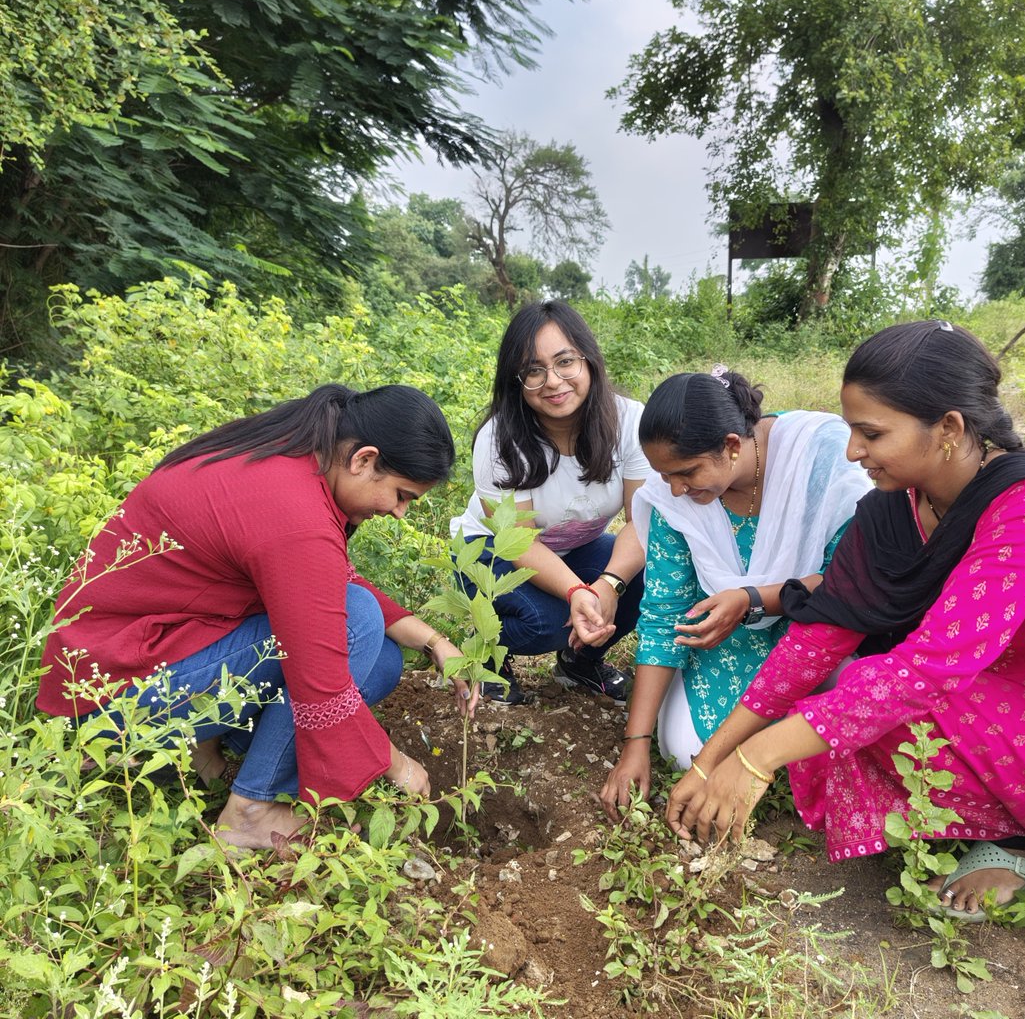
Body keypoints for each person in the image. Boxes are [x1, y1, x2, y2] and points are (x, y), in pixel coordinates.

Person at [666, 321, 1025, 921]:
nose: (852, 452)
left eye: (871, 433)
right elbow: (818, 637)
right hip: (977, 693)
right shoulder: (893, 509)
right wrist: (712, 759)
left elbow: (931, 667)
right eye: (851, 430)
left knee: (869, 693)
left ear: (948, 428)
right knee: (847, 686)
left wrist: (760, 757)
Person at [37, 383, 480, 849]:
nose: (399, 512)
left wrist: (433, 641)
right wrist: (396, 766)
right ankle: (251, 809)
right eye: (401, 494)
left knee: (384, 659)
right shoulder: (291, 511)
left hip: (147, 657)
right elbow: (321, 673)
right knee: (355, 622)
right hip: (110, 699)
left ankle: (206, 750)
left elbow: (325, 581)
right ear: (363, 460)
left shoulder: (288, 460)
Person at [600, 369, 870, 819]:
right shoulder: (677, 500)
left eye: (687, 472)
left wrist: (750, 598)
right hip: (730, 640)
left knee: (854, 708)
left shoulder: (820, 459)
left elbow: (848, 581)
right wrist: (635, 745)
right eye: (665, 475)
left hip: (817, 634)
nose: (676, 489)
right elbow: (665, 614)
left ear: (731, 445)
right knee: (684, 750)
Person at [450, 300, 648, 705]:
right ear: (516, 381)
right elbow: (518, 540)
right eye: (534, 371)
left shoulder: (630, 423)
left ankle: (579, 662)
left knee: (641, 581)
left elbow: (641, 521)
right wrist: (577, 591)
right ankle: (485, 645)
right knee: (547, 622)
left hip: (571, 547)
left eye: (565, 362)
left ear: (589, 360)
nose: (553, 381)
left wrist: (609, 586)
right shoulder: (498, 439)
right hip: (491, 551)